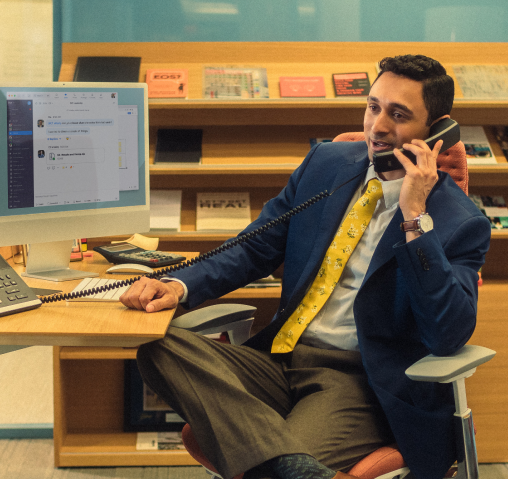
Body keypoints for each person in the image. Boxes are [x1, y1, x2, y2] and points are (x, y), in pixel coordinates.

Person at [120, 55, 491, 479]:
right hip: (279, 359)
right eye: (373, 107)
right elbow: (254, 247)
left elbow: (448, 333)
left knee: (259, 463)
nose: (377, 127)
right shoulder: (326, 164)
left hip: (357, 382)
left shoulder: (460, 222)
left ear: (437, 131)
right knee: (160, 348)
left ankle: (270, 456)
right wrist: (177, 285)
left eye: (399, 115)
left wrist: (414, 219)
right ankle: (285, 462)